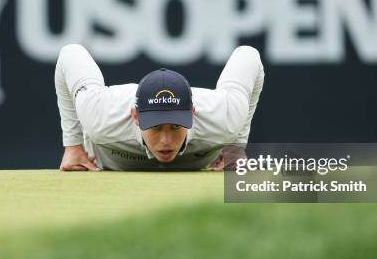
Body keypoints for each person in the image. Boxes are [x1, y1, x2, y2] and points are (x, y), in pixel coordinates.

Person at [54, 44, 264, 171]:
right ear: (135, 116)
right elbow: (70, 53)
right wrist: (73, 145)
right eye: (155, 127)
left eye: (175, 126)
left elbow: (249, 55)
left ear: (192, 114)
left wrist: (236, 148)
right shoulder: (100, 113)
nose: (166, 141)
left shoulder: (224, 118)